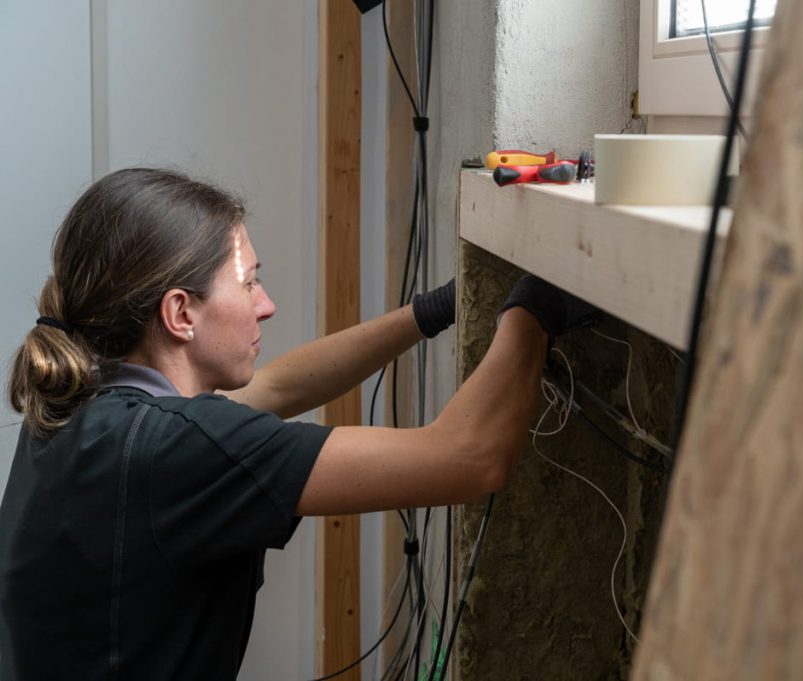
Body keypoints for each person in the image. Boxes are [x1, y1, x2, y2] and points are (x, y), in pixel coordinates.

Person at [0, 167, 594, 680]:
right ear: (180, 313)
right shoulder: (174, 450)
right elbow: (469, 457)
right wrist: (532, 309)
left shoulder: (82, 400)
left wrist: (432, 311)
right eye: (249, 281)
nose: (266, 303)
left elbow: (280, 386)